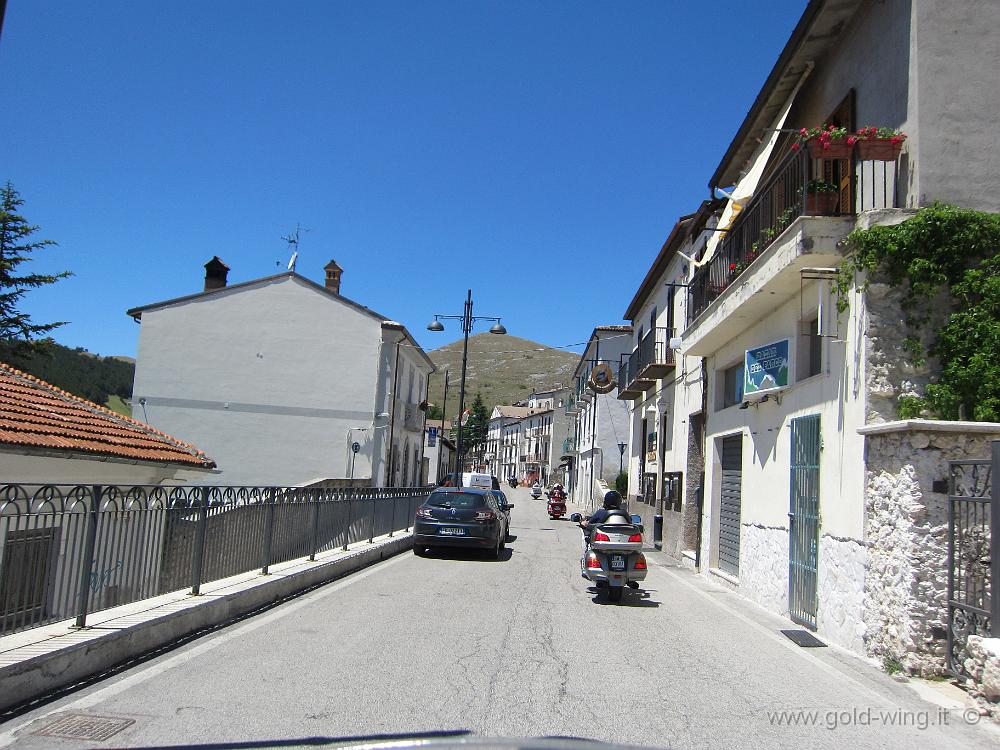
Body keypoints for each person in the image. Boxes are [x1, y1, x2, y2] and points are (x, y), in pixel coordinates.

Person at [578, 490, 624, 558]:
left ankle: (584, 558)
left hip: (602, 546)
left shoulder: (601, 513)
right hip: (622, 545)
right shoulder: (624, 515)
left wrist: (582, 522)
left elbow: (588, 523)